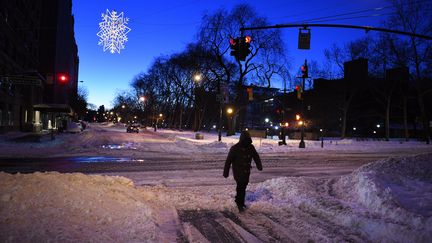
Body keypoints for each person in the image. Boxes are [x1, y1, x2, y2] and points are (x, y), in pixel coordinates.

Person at [223, 130, 263, 212]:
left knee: (243, 185)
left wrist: (259, 165)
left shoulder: (250, 147)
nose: (246, 142)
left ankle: (240, 201)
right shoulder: (235, 148)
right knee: (240, 186)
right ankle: (239, 203)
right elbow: (228, 161)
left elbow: (256, 156)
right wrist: (226, 172)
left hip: (246, 171)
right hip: (238, 171)